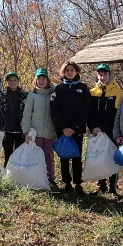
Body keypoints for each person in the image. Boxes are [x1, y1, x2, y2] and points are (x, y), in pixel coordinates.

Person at [50, 61, 91, 194]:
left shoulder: (83, 88)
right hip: (62, 130)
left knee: (77, 156)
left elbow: (86, 109)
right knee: (64, 156)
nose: (69, 72)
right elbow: (54, 109)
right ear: (63, 72)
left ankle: (78, 183)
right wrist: (63, 128)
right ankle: (67, 182)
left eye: (72, 69)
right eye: (67, 70)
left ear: (76, 71)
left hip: (77, 129)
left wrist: (75, 127)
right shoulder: (59, 88)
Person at [87, 63, 123, 195]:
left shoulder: (117, 92)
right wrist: (93, 127)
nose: (102, 77)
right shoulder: (92, 92)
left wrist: (103, 128)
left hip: (110, 130)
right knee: (98, 157)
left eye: (105, 74)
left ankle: (113, 188)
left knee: (111, 158)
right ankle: (101, 185)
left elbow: (115, 114)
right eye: (100, 74)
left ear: (109, 74)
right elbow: (89, 113)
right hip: (95, 131)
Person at [22, 68, 57, 187]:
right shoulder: (32, 95)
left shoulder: (54, 93)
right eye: (39, 79)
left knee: (49, 156)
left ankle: (50, 179)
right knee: (36, 156)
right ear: (35, 80)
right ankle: (36, 179)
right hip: (35, 132)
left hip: (50, 131)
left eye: (44, 78)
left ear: (47, 79)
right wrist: (26, 131)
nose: (41, 81)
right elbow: (26, 114)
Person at [0, 71, 28, 166]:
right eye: (10, 80)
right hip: (6, 130)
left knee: (19, 155)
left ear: (18, 81)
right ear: (7, 82)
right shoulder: (1, 95)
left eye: (14, 80)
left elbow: (28, 114)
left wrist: (28, 130)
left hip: (20, 131)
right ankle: (7, 177)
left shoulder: (25, 95)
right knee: (8, 154)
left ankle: (18, 177)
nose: (12, 82)